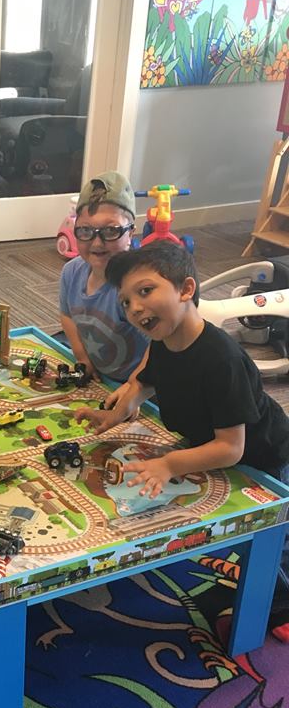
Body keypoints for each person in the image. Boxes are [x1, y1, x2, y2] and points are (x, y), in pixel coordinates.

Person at [75, 241, 289, 643]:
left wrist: (170, 464)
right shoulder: (163, 342)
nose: (134, 308)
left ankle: (276, 608)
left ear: (186, 289)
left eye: (145, 291)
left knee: (272, 542)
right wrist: (114, 413)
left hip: (263, 457)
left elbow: (231, 449)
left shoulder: (220, 358)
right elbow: (144, 384)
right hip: (205, 444)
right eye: (125, 302)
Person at [59, 170, 149, 384]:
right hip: (102, 374)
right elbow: (67, 316)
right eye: (85, 231)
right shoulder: (71, 272)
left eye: (111, 231)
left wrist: (135, 387)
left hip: (144, 383)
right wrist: (82, 357)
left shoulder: (137, 287)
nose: (97, 243)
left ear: (131, 233)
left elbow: (161, 347)